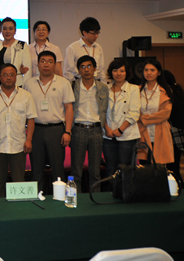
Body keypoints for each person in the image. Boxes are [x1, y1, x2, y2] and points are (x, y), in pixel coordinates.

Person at [23, 51, 74, 190]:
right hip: (35, 130)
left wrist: (67, 132)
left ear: (55, 64)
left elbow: (69, 108)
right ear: (37, 64)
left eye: (50, 62)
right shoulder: (29, 83)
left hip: (56, 130)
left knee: (58, 169)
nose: (46, 64)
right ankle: (37, 198)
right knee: (36, 168)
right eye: (43, 61)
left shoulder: (63, 83)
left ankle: (60, 197)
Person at [0, 64, 37, 198]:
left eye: (11, 75)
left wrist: (29, 140)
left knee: (19, 180)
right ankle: (0, 207)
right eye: (5, 75)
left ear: (16, 77)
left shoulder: (26, 96)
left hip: (18, 145)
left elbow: (31, 119)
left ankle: (19, 208)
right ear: (0, 77)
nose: (8, 78)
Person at [70, 55, 109, 192]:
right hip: (78, 129)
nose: (86, 70)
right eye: (82, 67)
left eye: (89, 66)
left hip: (96, 130)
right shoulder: (72, 86)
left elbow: (106, 110)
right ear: (78, 70)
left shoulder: (103, 88)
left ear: (94, 68)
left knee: (95, 171)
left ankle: (95, 198)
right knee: (76, 171)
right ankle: (76, 198)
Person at [102, 59, 141, 178]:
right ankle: (111, 189)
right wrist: (107, 128)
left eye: (122, 71)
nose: (118, 74)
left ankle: (126, 189)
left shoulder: (133, 88)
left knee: (125, 168)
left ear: (126, 72)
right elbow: (101, 111)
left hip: (127, 134)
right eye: (115, 70)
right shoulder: (105, 88)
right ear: (111, 72)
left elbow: (134, 113)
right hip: (108, 134)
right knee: (110, 168)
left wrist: (120, 130)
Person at [137, 59, 174, 165]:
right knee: (143, 166)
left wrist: (144, 119)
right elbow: (135, 112)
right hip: (142, 133)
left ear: (159, 73)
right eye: (146, 70)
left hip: (160, 133)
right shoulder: (137, 90)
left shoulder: (165, 91)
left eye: (152, 70)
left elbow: (165, 114)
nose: (148, 73)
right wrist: (142, 118)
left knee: (159, 167)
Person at [64, 17, 106, 83]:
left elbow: (101, 69)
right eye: (94, 33)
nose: (96, 36)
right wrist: (73, 85)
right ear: (84, 32)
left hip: (96, 82)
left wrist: (103, 84)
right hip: (79, 82)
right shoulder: (73, 48)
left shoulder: (98, 47)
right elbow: (68, 71)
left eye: (98, 33)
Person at [0, 17, 31, 88]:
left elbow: (27, 70)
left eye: (10, 29)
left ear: (15, 30)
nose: (7, 31)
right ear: (1, 30)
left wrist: (25, 87)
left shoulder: (22, 45)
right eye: (5, 29)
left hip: (17, 84)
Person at [164, 70, 184, 186]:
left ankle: (178, 187)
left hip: (173, 133)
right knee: (175, 164)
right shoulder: (178, 92)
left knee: (173, 165)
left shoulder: (169, 94)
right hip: (179, 132)